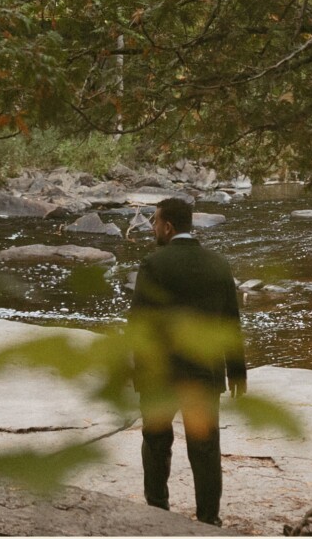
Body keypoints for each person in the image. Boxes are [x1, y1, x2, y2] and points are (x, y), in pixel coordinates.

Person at [128, 197, 246, 527]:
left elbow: (140, 323)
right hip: (203, 374)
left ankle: (157, 510)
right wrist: (237, 372)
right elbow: (230, 322)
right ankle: (209, 521)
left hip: (159, 375)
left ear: (168, 226)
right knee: (205, 449)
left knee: (155, 442)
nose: (152, 227)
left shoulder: (153, 264)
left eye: (154, 221)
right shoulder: (218, 264)